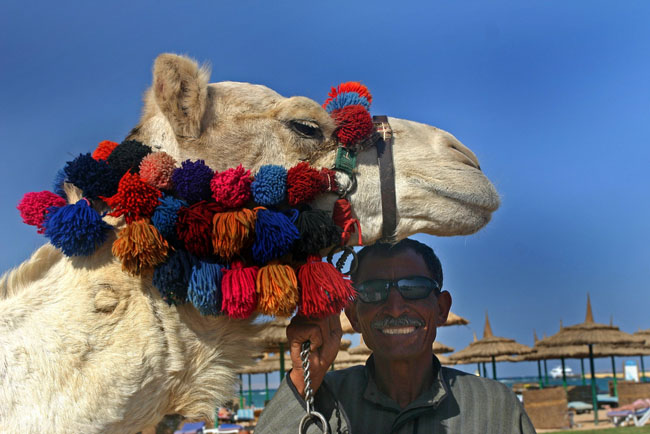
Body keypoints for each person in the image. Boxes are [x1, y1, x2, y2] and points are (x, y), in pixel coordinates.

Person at [256, 239, 536, 433]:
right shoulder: (325, 400)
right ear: (353, 315)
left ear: (441, 309)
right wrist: (304, 376)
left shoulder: (495, 405)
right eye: (374, 291)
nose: (395, 308)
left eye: (413, 288)